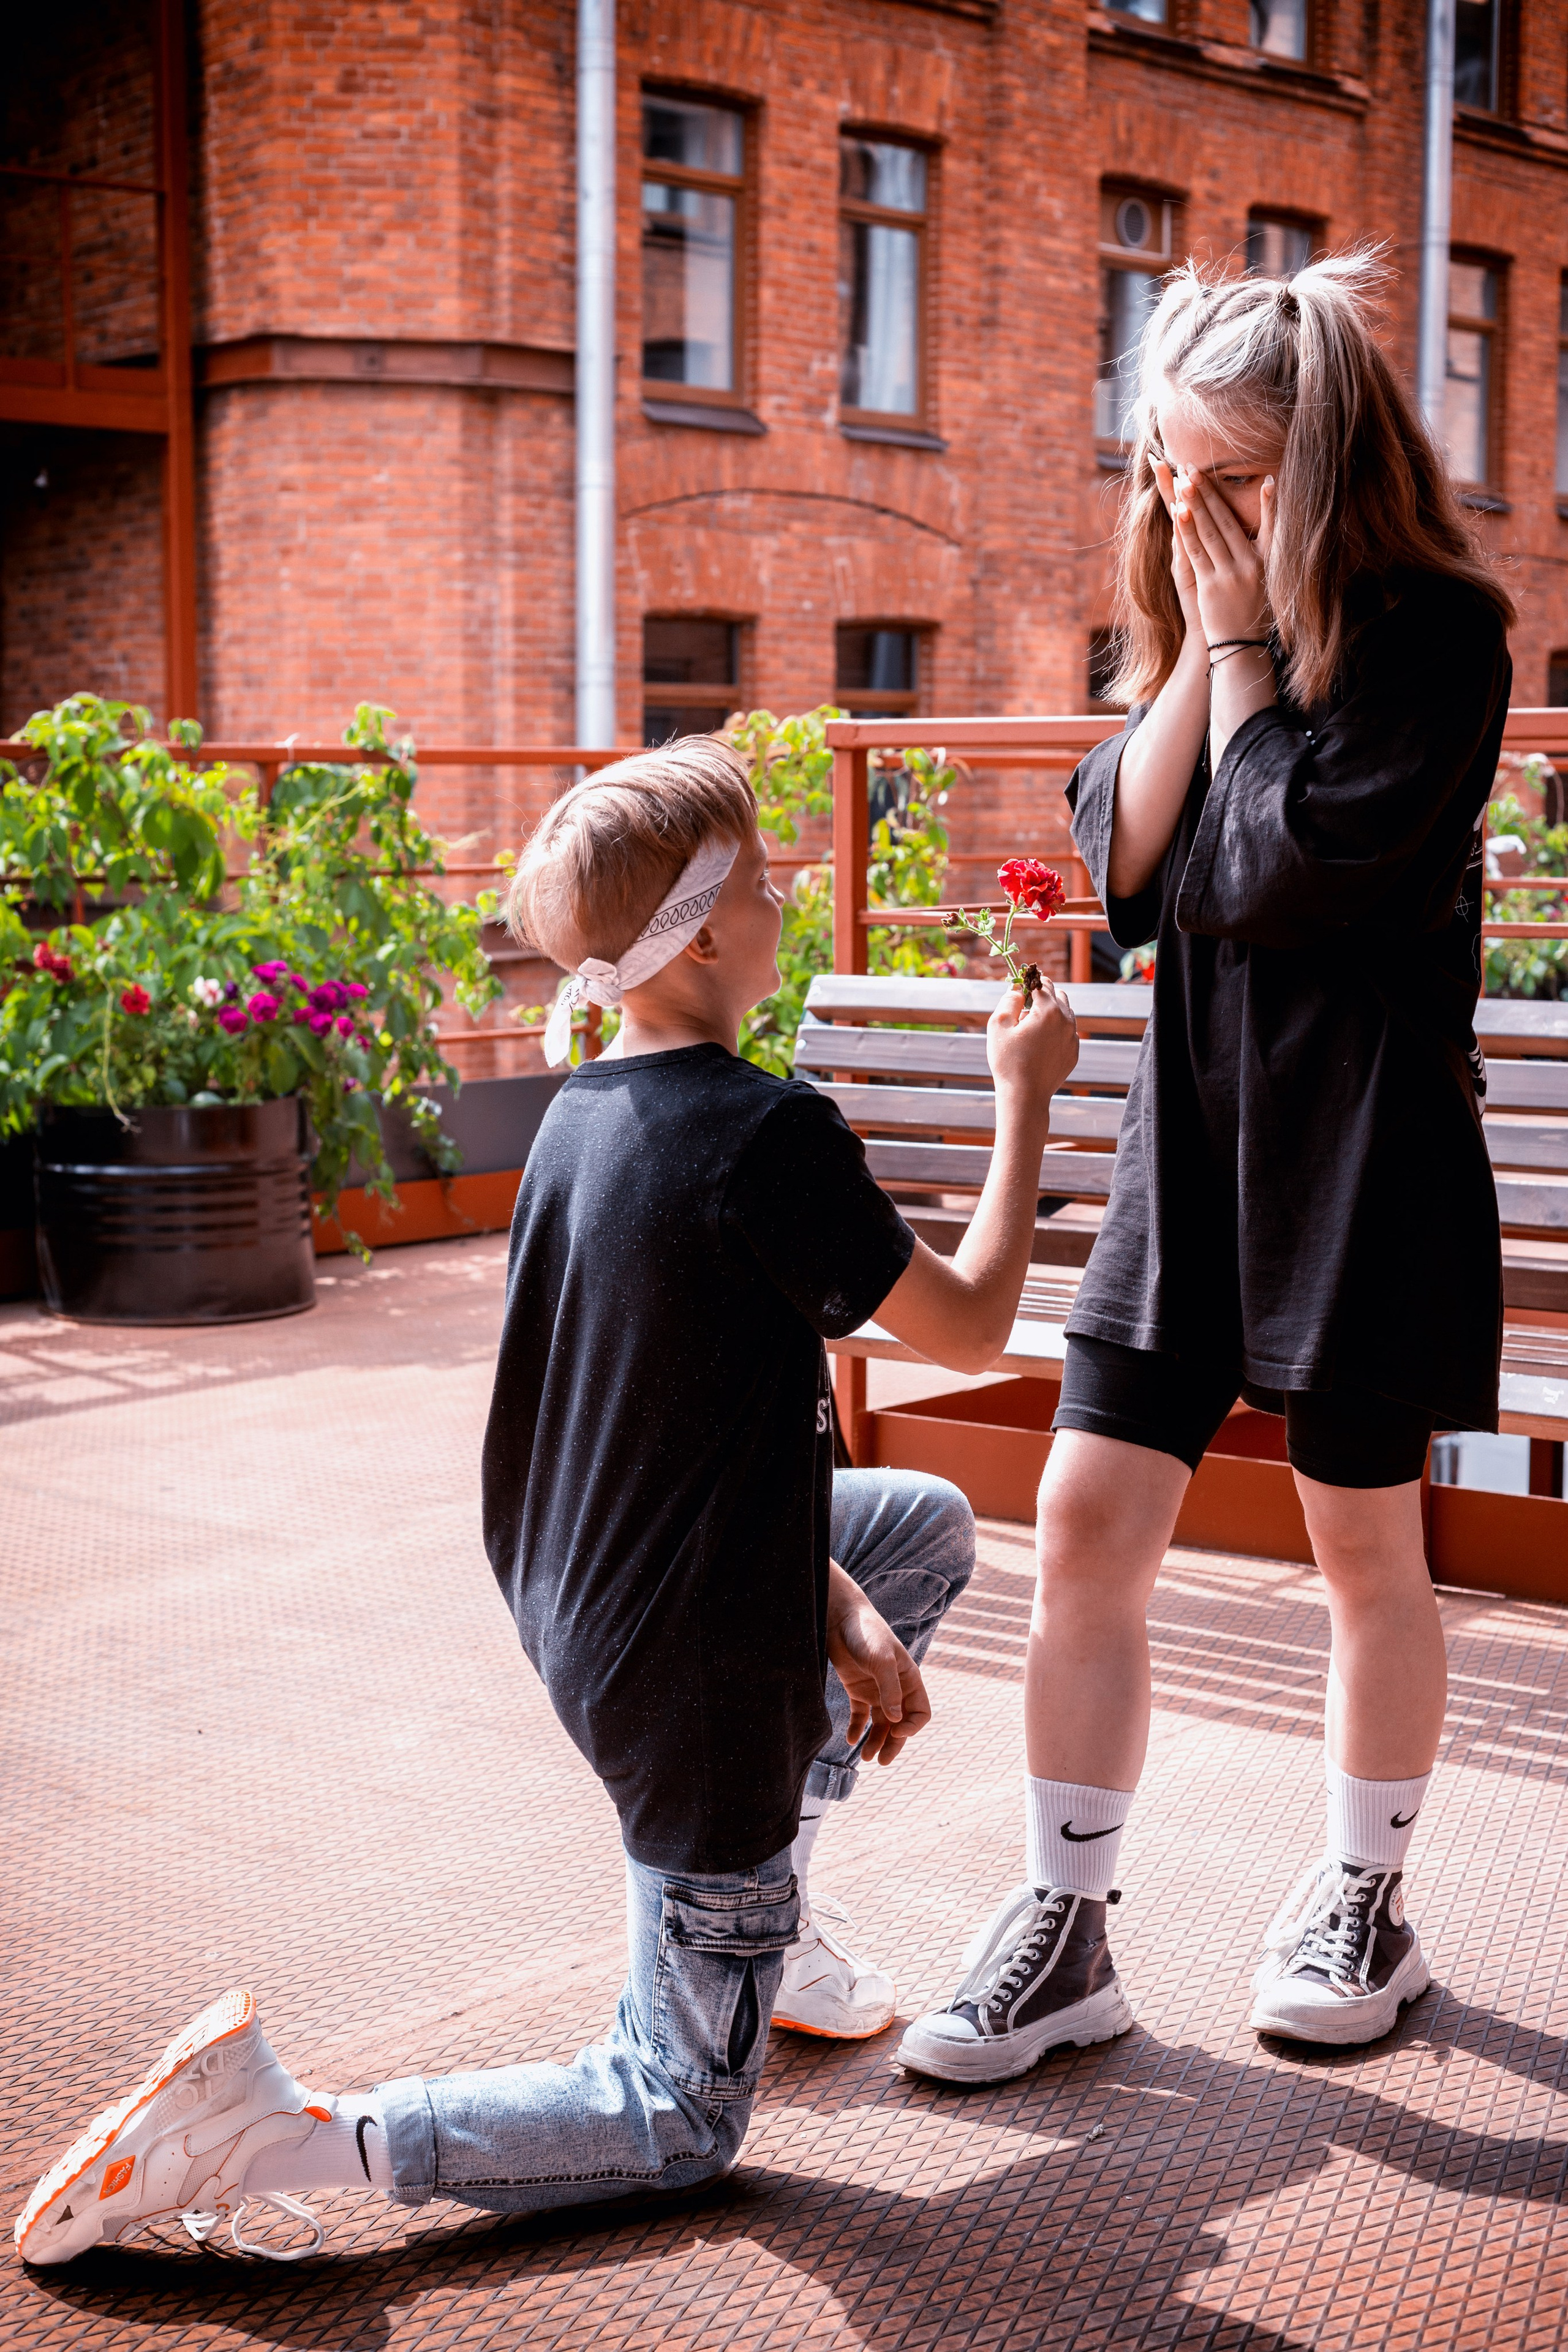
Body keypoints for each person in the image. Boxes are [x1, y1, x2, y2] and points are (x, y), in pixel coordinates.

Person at [17, 736, 1080, 2265]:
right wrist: (1021, 1094)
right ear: (701, 938)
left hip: (597, 1599)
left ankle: (766, 1926)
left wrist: (833, 1600)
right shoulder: (766, 1134)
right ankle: (284, 2132)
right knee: (679, 2115)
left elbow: (687, 1441)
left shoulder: (585, 1109)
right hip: (690, 1677)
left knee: (912, 1528)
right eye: (763, 883)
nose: (785, 903)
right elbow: (971, 1328)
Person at [899, 251, 1515, 2084]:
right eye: (1171, 473)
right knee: (1087, 1519)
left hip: (1362, 1165)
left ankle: (1363, 1900)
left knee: (1360, 1544)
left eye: (1232, 479)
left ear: (1321, 465)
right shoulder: (1204, 618)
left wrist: (1239, 649)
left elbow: (1278, 872)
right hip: (1193, 1154)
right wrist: (1202, 637)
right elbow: (1132, 869)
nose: (1195, 510)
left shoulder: (1437, 639)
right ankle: (1064, 1925)